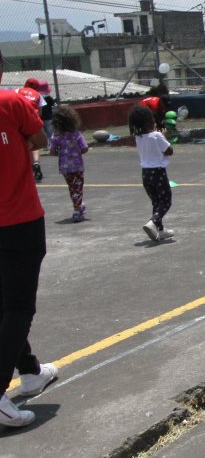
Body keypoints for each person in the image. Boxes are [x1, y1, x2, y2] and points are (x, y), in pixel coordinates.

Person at [0, 48, 58, 429]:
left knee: (4, 303)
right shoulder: (10, 101)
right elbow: (38, 137)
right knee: (18, 306)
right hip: (17, 219)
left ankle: (31, 370)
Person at [129, 104, 174, 242]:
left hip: (146, 174)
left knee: (156, 202)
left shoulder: (138, 137)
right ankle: (153, 221)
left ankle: (160, 231)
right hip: (158, 172)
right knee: (166, 201)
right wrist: (164, 136)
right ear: (150, 122)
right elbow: (169, 151)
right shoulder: (157, 136)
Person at [47, 105, 89, 222]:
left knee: (72, 187)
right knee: (78, 187)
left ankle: (79, 205)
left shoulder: (56, 136)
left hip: (65, 167)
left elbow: (52, 152)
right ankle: (77, 210)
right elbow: (85, 148)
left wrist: (62, 152)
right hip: (77, 165)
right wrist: (76, 152)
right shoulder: (76, 134)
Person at [15, 78, 48, 183]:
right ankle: (36, 162)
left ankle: (29, 167)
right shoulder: (38, 95)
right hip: (33, 120)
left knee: (25, 144)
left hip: (20, 121)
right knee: (35, 144)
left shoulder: (18, 91)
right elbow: (41, 112)